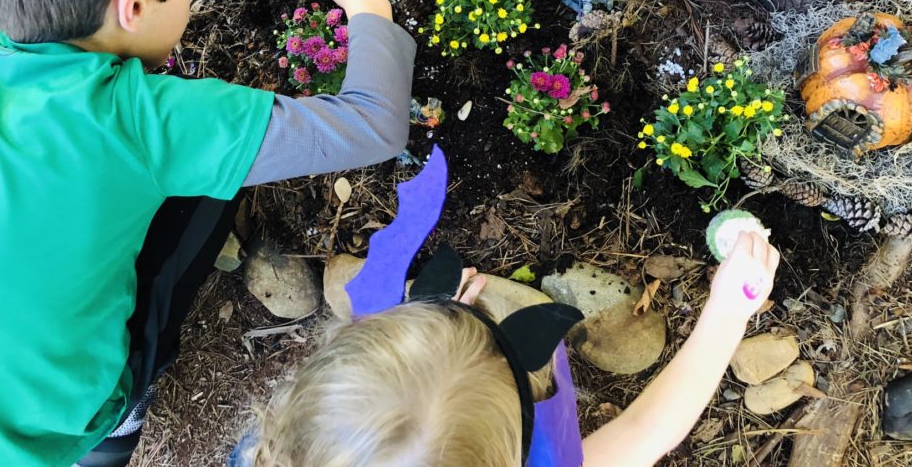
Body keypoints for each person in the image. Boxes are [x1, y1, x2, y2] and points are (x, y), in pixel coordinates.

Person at [0, 0, 415, 467]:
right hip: (59, 425)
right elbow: (374, 123)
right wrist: (368, 1)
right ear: (134, 1)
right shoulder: (143, 120)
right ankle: (116, 427)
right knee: (216, 185)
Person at [235, 192, 780, 467]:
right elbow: (643, 432)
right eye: (510, 358)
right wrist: (729, 312)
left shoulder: (281, 450)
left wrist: (438, 329)